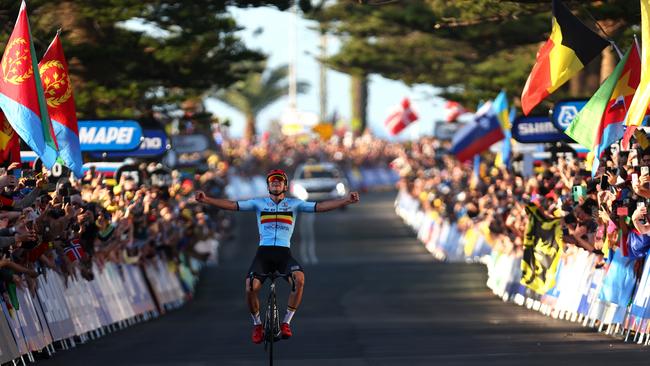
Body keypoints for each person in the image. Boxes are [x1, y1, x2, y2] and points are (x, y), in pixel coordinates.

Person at [195, 168, 360, 344]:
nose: (275, 183)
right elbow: (232, 205)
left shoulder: (295, 204)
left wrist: (345, 201)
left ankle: (286, 323)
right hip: (263, 254)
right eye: (272, 181)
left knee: (300, 279)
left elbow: (320, 207)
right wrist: (207, 200)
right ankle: (257, 325)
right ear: (268, 186)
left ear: (285, 185)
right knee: (250, 287)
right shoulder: (258, 203)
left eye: (279, 181)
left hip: (283, 255)